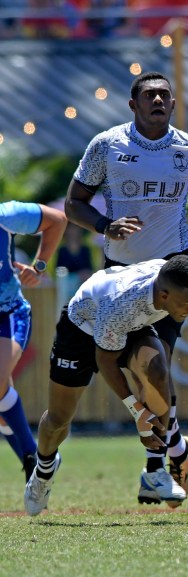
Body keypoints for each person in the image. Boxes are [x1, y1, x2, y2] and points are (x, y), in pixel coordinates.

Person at [63, 71, 188, 507]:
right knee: (137, 374)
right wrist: (105, 224)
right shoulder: (107, 146)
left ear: (173, 103)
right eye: (149, 95)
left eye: (164, 95)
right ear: (133, 105)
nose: (157, 100)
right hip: (119, 276)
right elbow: (73, 204)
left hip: (169, 277)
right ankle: (175, 453)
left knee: (154, 370)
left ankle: (156, 470)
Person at [24, 255, 188, 516]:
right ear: (164, 296)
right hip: (81, 328)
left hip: (127, 325)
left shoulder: (170, 281)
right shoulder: (123, 304)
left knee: (157, 369)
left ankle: (156, 469)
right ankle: (42, 472)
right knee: (58, 420)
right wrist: (138, 412)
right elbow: (104, 360)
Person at [0, 201, 67, 483]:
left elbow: (58, 220)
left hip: (8, 314)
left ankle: (34, 459)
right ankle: (36, 465)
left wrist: (38, 267)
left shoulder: (6, 216)